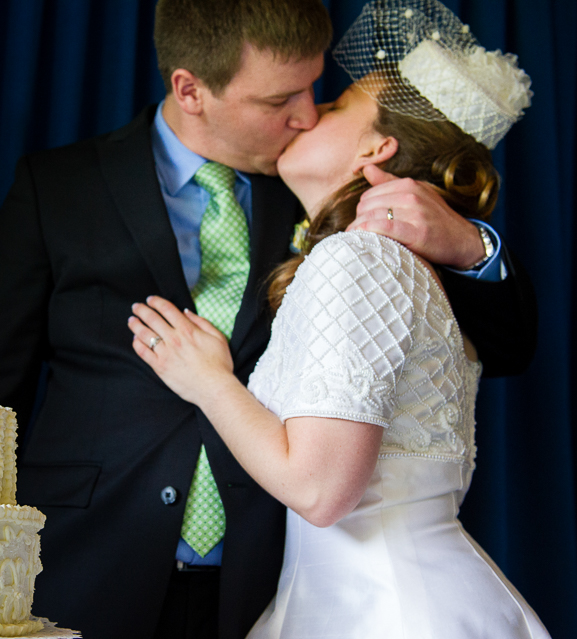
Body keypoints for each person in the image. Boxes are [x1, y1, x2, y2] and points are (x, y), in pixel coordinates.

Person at [0, 0, 537, 637]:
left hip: (263, 575)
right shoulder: (60, 186)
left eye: (316, 91)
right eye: (279, 99)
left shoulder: (337, 195)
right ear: (190, 90)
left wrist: (471, 246)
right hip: (87, 559)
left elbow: (503, 347)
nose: (306, 114)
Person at [126, 0, 549, 637]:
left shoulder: (358, 257)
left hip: (386, 607)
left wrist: (208, 379)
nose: (306, 114)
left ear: (377, 147)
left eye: (332, 106)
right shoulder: (383, 257)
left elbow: (322, 492)